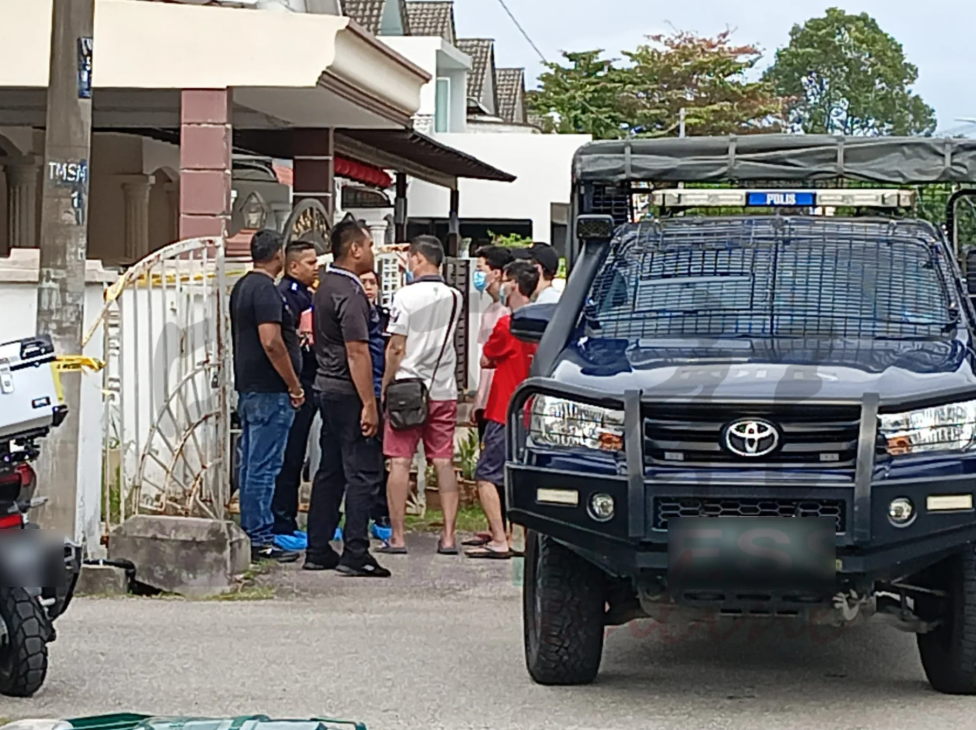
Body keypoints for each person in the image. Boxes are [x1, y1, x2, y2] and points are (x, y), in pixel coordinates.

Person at [305, 218, 390, 578]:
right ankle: (356, 550)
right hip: (348, 389)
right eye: (368, 245)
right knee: (362, 472)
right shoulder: (351, 292)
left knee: (332, 469)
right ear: (354, 249)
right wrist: (369, 403)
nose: (372, 252)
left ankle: (317, 546)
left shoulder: (325, 286)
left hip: (327, 386)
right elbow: (357, 350)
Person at [380, 235, 462, 555]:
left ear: (417, 258)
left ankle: (398, 536)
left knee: (400, 461)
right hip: (443, 388)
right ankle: (449, 536)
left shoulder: (404, 296)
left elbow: (396, 347)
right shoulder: (455, 296)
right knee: (443, 461)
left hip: (407, 388)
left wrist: (386, 384)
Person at [230, 229, 304, 564]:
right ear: (279, 254)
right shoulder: (266, 291)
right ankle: (260, 536)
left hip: (250, 387)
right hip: (270, 389)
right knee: (263, 466)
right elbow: (271, 341)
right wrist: (293, 383)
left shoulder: (242, 287)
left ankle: (252, 532)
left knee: (251, 464)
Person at [466, 260, 540, 559]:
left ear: (514, 285)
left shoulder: (507, 324)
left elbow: (487, 358)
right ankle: (519, 536)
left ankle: (499, 538)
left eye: (506, 281)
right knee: (520, 473)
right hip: (531, 411)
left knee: (486, 474)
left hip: (503, 409)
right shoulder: (545, 324)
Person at [461, 244, 514, 551]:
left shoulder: (506, 314)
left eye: (481, 268)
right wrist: (478, 399)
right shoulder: (491, 309)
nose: (477, 274)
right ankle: (497, 527)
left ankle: (503, 533)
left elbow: (491, 360)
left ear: (497, 272)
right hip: (487, 399)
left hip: (501, 400)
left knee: (493, 469)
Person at [270, 241, 320, 552]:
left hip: (310, 382)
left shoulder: (306, 294)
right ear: (293, 266)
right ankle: (282, 522)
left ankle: (288, 520)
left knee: (298, 455)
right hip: (296, 385)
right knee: (288, 458)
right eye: (310, 263)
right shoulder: (288, 296)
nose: (316, 267)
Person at [359, 269, 393, 543]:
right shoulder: (350, 314)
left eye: (373, 283)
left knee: (381, 457)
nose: (369, 287)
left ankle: (381, 513)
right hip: (356, 390)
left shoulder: (386, 317)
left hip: (382, 389)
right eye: (364, 282)